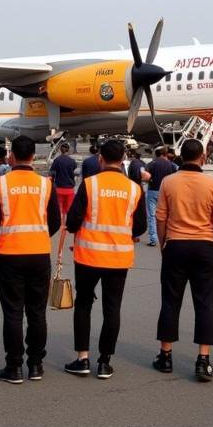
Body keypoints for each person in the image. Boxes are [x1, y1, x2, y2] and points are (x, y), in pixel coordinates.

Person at [64, 138, 146, 379]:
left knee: (84, 305)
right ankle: (104, 361)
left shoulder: (90, 185)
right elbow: (140, 226)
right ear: (122, 160)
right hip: (118, 258)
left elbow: (72, 221)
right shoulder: (134, 188)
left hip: (88, 256)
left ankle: (83, 358)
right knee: (112, 309)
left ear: (100, 158)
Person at [0, 134, 61, 383]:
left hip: (9, 253)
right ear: (34, 156)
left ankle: (14, 366)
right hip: (39, 253)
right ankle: (36, 364)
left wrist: (9, 235)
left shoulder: (0, 184)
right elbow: (54, 222)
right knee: (37, 313)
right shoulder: (45, 184)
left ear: (11, 156)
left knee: (13, 312)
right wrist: (39, 235)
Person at [152, 139, 213, 382]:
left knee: (170, 301)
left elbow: (160, 217)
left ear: (180, 157)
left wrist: (164, 244)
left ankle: (165, 355)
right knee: (204, 303)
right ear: (203, 158)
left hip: (176, 244)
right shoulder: (212, 184)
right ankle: (203, 359)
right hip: (204, 245)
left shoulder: (169, 182)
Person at [144, 145, 178, 246]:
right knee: (167, 215)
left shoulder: (151, 164)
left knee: (152, 215)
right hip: (167, 191)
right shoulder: (172, 165)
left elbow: (145, 177)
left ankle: (153, 239)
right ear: (165, 154)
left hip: (153, 191)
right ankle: (168, 237)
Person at [49, 141, 78, 222]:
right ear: (68, 150)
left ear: (60, 150)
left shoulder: (57, 160)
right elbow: (74, 169)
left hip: (59, 188)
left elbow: (52, 173)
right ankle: (67, 224)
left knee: (59, 208)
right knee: (69, 208)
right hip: (69, 188)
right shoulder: (72, 161)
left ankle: (60, 223)